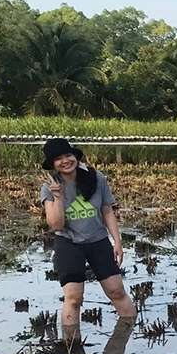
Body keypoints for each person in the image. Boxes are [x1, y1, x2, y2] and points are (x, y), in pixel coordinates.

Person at [39, 138, 136, 329]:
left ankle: (130, 336)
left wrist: (117, 242)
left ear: (75, 156)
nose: (65, 161)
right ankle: (72, 348)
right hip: (68, 244)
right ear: (53, 165)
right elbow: (56, 225)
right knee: (73, 299)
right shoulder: (49, 188)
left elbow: (107, 211)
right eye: (58, 159)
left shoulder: (95, 178)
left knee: (116, 291)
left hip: (98, 241)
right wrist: (58, 198)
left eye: (68, 155)